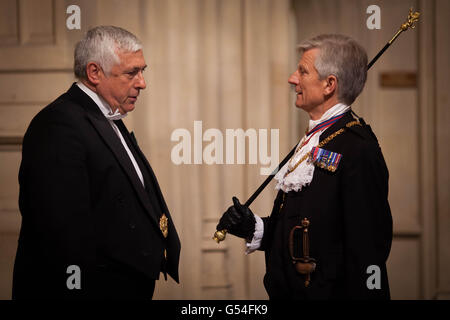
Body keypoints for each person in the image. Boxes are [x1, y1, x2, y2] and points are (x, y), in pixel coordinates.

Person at [217, 34, 393, 300]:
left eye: (303, 71)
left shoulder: (358, 148)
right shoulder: (317, 138)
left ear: (329, 85)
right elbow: (310, 228)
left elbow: (367, 250)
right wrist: (253, 227)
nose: (292, 79)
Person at [13, 26, 180, 299]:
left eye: (142, 71)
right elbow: (62, 235)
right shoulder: (59, 124)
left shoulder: (103, 116)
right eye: (131, 73)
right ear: (94, 73)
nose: (142, 82)